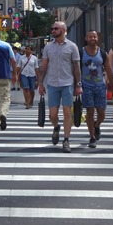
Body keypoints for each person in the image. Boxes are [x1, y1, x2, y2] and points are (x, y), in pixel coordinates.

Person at [37, 21, 82, 153]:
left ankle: (66, 140)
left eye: (56, 28)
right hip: (52, 84)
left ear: (63, 30)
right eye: (52, 29)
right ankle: (56, 127)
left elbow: (76, 67)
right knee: (52, 115)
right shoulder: (48, 47)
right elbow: (43, 67)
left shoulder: (72, 46)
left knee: (67, 112)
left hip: (67, 83)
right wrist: (40, 84)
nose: (53, 31)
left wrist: (78, 85)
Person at [80, 30, 107, 148]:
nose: (92, 38)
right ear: (86, 38)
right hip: (86, 86)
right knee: (90, 111)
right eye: (90, 36)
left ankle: (97, 125)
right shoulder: (81, 52)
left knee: (102, 113)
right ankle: (92, 137)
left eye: (94, 37)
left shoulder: (102, 53)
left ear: (97, 38)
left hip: (100, 86)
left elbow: (108, 69)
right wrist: (76, 84)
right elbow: (76, 68)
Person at [16, 45, 39, 109]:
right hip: (24, 75)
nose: (27, 50)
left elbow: (36, 67)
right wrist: (16, 74)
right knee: (26, 88)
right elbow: (19, 66)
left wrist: (38, 77)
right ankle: (27, 102)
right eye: (26, 49)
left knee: (32, 90)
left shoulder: (34, 58)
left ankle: (31, 101)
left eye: (28, 49)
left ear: (31, 51)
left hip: (32, 75)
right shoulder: (21, 58)